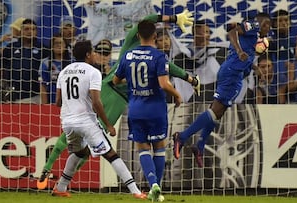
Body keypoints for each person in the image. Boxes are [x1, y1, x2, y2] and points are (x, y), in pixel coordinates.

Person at [37, 10, 197, 197]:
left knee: (85, 150)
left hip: (122, 102)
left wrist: (189, 78)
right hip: (111, 94)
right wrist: (174, 18)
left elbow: (170, 68)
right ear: (152, 35)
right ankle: (49, 169)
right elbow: (147, 22)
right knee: (110, 147)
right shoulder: (133, 46)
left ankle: (61, 184)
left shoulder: (154, 56)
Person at [172, 13, 271, 167]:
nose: (268, 28)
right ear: (260, 22)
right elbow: (232, 33)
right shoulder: (253, 26)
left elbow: (244, 54)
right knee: (214, 112)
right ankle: (182, 137)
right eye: (266, 24)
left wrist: (255, 67)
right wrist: (239, 51)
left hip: (236, 75)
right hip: (231, 73)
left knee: (216, 114)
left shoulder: (253, 37)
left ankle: (199, 145)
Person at [51, 40, 145, 199]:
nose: (95, 54)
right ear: (88, 55)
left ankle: (60, 187)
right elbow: (96, 102)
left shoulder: (64, 71)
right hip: (86, 122)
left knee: (80, 153)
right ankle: (136, 191)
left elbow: (58, 102)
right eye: (93, 52)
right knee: (111, 154)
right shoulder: (92, 72)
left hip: (67, 122)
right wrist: (108, 125)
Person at [113, 19, 182, 202]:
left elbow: (115, 81)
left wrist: (133, 82)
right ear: (155, 36)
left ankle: (153, 185)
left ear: (137, 36)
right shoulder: (159, 57)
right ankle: (156, 188)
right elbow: (164, 84)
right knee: (159, 148)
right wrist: (177, 95)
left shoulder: (127, 55)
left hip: (135, 109)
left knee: (142, 148)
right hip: (156, 109)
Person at [1, 18, 48, 103]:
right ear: (21, 31)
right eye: (26, 29)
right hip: (15, 97)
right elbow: (2, 68)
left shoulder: (43, 49)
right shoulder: (10, 48)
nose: (30, 32)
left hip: (37, 96)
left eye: (33, 29)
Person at [39, 34, 71, 104]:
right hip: (52, 100)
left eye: (61, 43)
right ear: (52, 46)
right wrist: (44, 104)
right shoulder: (45, 63)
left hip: (70, 101)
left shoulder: (72, 63)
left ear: (65, 46)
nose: (59, 45)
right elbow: (43, 85)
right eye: (56, 43)